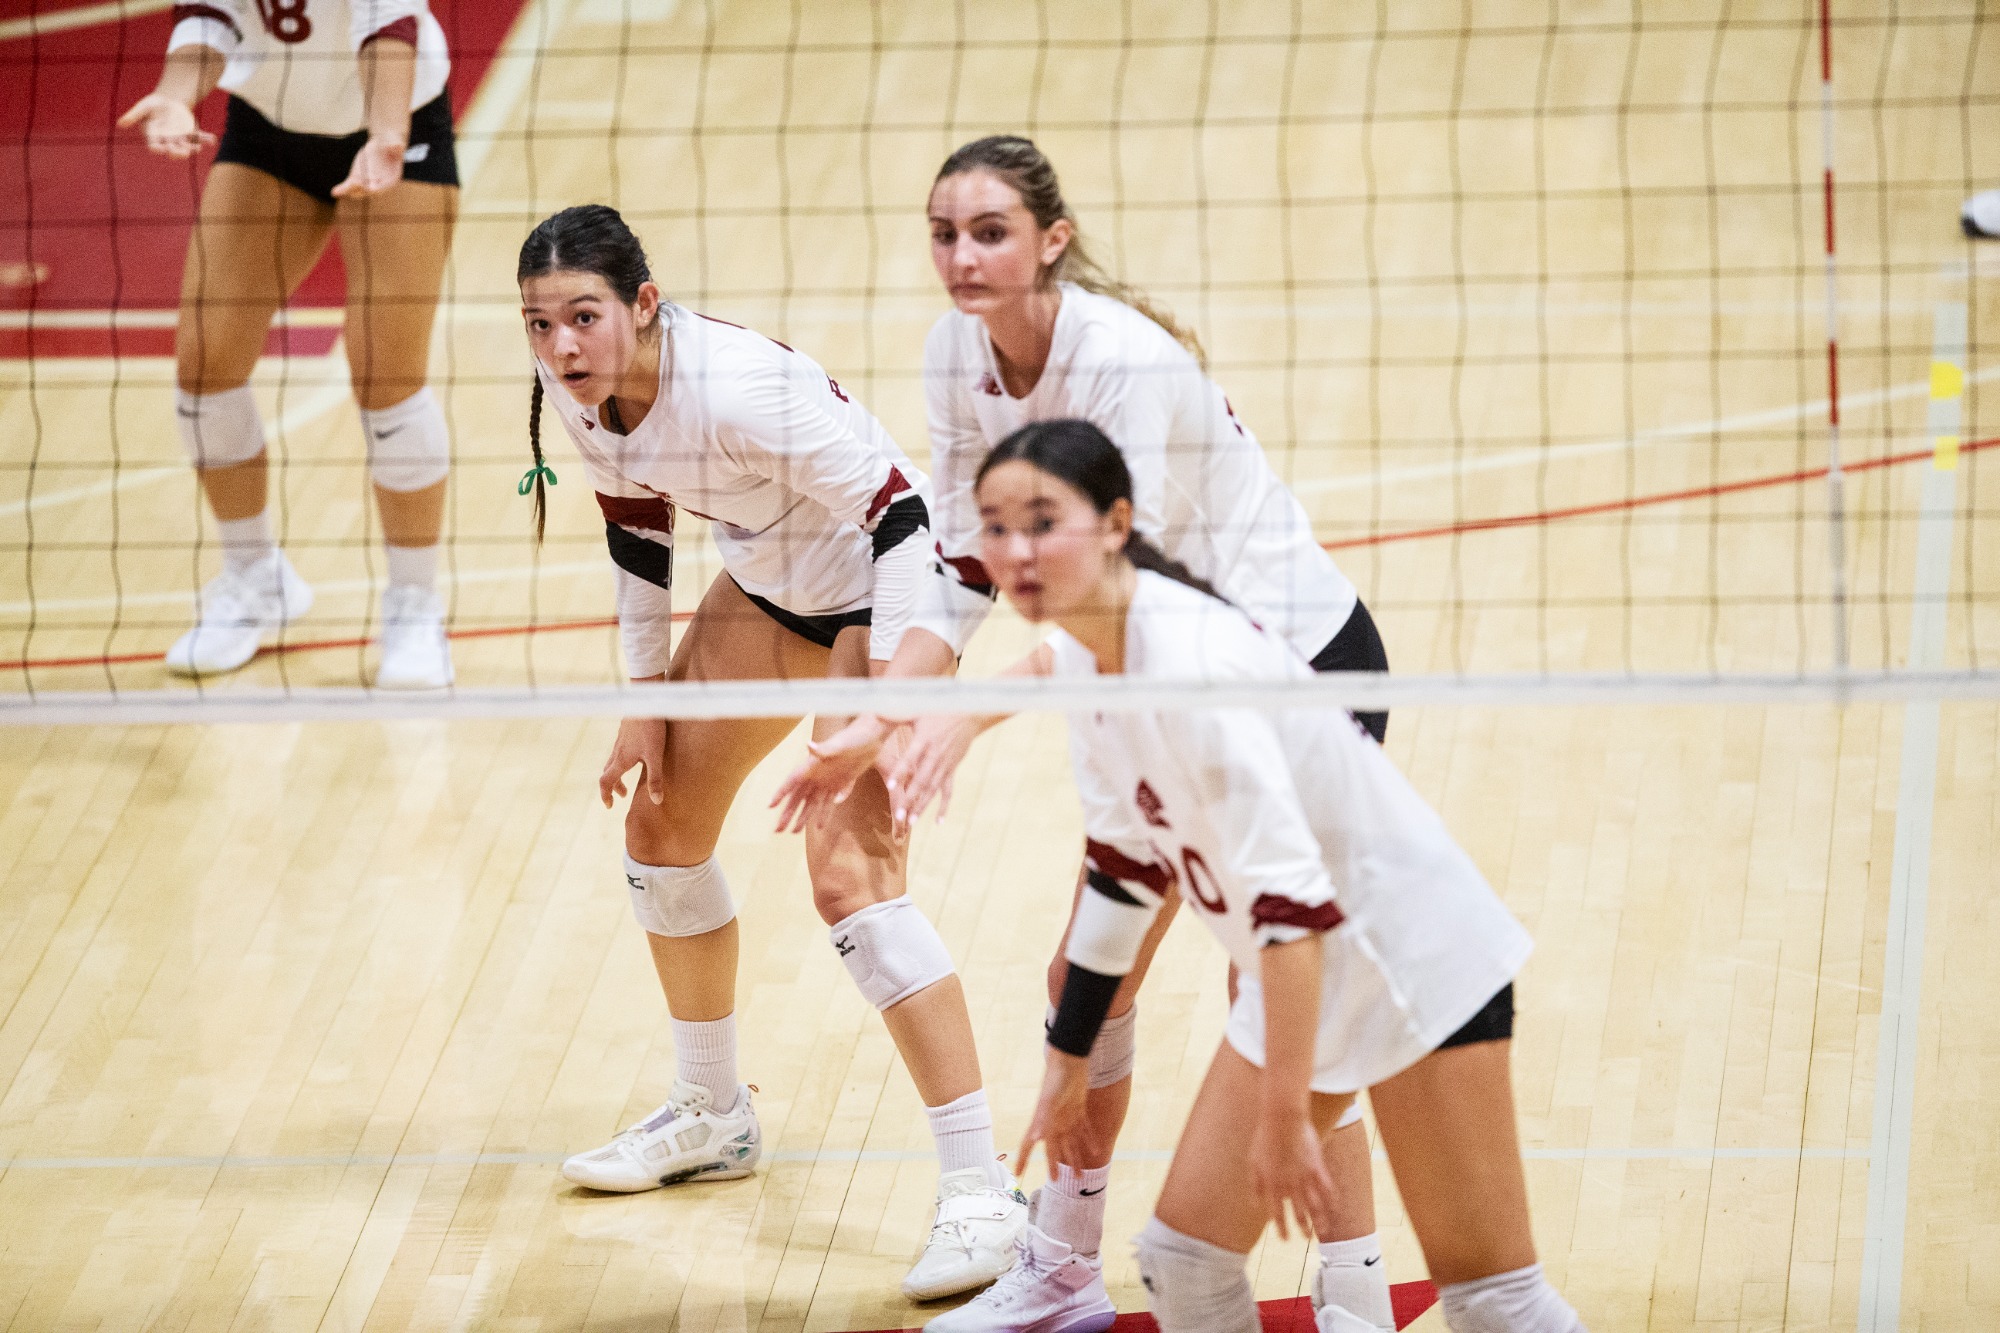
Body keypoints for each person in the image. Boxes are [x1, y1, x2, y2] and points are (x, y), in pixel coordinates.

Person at [773, 136, 1395, 1332]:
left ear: (1051, 239)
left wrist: (956, 721)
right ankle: (1060, 1269)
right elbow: (958, 561)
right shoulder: (957, 352)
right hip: (1156, 674)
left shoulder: (1119, 362)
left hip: (1292, 665)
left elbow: (1133, 594)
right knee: (1081, 978)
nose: (963, 257)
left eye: (990, 231)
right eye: (945, 233)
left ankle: (1353, 1286)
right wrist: (874, 721)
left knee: (1273, 994)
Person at [921, 419, 1583, 1333]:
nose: (1015, 549)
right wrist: (1067, 1063)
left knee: (1495, 1300)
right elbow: (1122, 872)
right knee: (1184, 1262)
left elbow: (1291, 917)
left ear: (1117, 523)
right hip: (1315, 959)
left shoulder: (1195, 668)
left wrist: (1284, 1117)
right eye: (994, 526)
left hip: (1411, 962)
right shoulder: (1090, 659)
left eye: (1043, 521)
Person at [516, 205, 1026, 1302]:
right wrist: (641, 695)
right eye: (539, 322)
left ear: (642, 306)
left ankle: (983, 1189)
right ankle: (715, 1112)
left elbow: (901, 518)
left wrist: (883, 706)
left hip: (877, 598)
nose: (562, 346)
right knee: (659, 828)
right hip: (764, 592)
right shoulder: (580, 392)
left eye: (584, 317)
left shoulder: (738, 392)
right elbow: (633, 519)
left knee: (850, 886)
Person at [120, 0, 460, 687]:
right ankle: (254, 577)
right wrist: (175, 94)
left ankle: (415, 605)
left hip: (398, 125)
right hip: (268, 128)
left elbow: (388, 25)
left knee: (385, 374)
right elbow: (210, 16)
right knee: (205, 360)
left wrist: (387, 136)